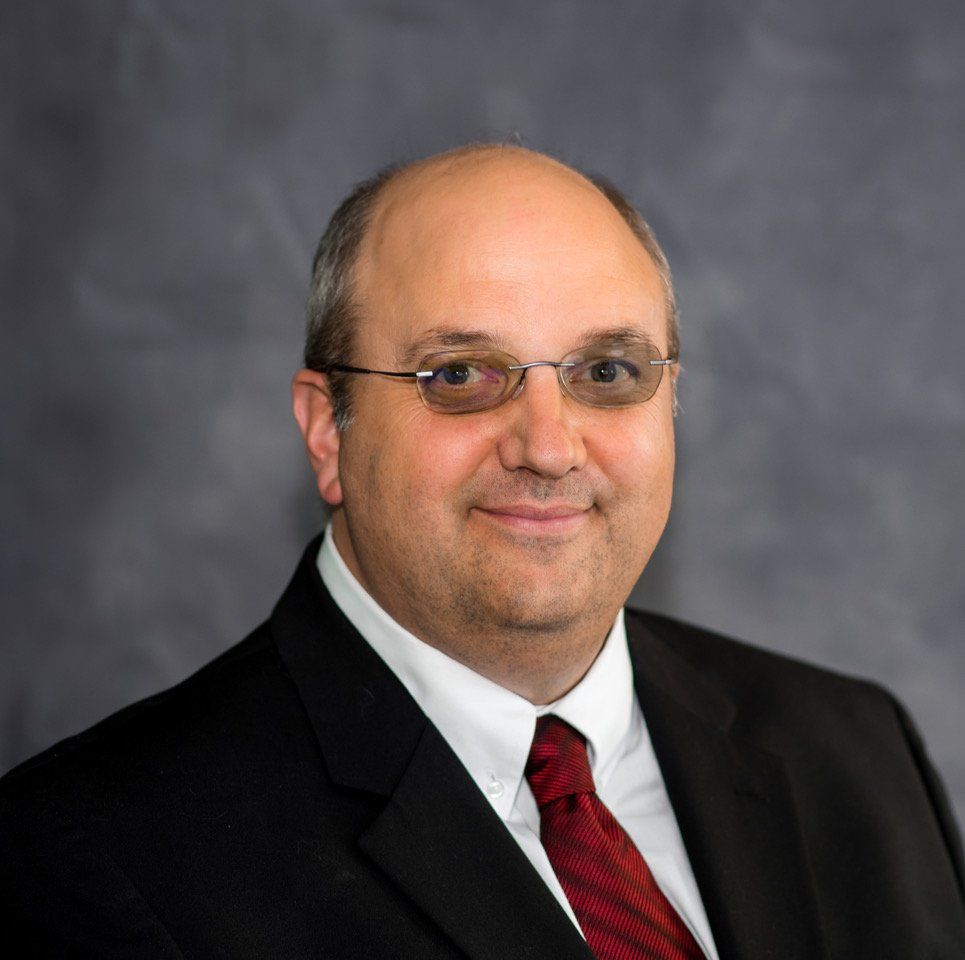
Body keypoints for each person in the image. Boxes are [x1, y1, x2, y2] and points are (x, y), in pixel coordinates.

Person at [1, 144, 963, 959]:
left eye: (607, 371)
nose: (547, 445)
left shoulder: (856, 752)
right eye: (459, 374)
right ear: (328, 432)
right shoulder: (89, 862)